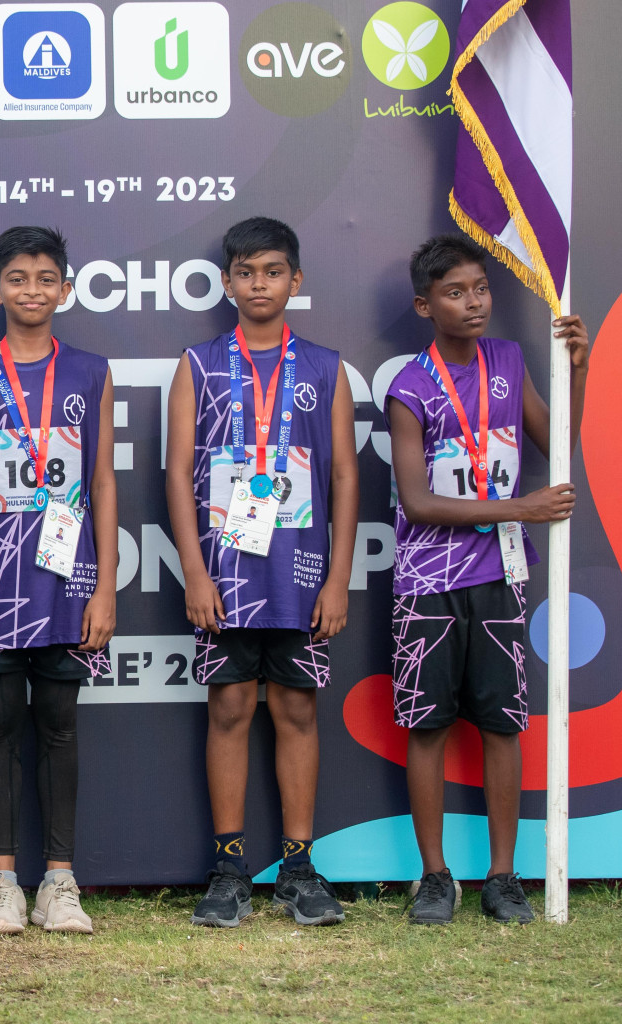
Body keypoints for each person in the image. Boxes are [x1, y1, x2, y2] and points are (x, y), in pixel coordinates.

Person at [386, 234, 588, 924]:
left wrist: (577, 371)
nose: (472, 302)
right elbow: (417, 500)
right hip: (426, 580)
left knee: (503, 723)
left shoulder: (507, 359)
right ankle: (436, 877)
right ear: (424, 304)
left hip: (500, 573)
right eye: (454, 292)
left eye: (480, 288)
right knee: (427, 724)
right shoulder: (409, 385)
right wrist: (521, 507)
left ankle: (505, 878)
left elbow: (555, 443)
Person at [167, 217, 358, 928]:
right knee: (229, 709)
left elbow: (342, 475)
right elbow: (178, 473)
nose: (258, 284)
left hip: (301, 574)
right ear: (227, 282)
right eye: (245, 272)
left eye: (272, 271)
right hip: (223, 573)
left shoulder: (326, 367)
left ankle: (299, 867)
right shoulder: (198, 364)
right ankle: (228, 867)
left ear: (295, 281)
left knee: (297, 710)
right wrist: (193, 568)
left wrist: (338, 578)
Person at [0, 226, 117, 937]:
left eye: (46, 278)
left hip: (68, 580)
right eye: (18, 278)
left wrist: (106, 587)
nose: (32, 290)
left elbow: (102, 481)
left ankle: (60, 882)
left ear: (66, 288)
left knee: (60, 726)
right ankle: (4, 885)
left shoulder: (91, 370)